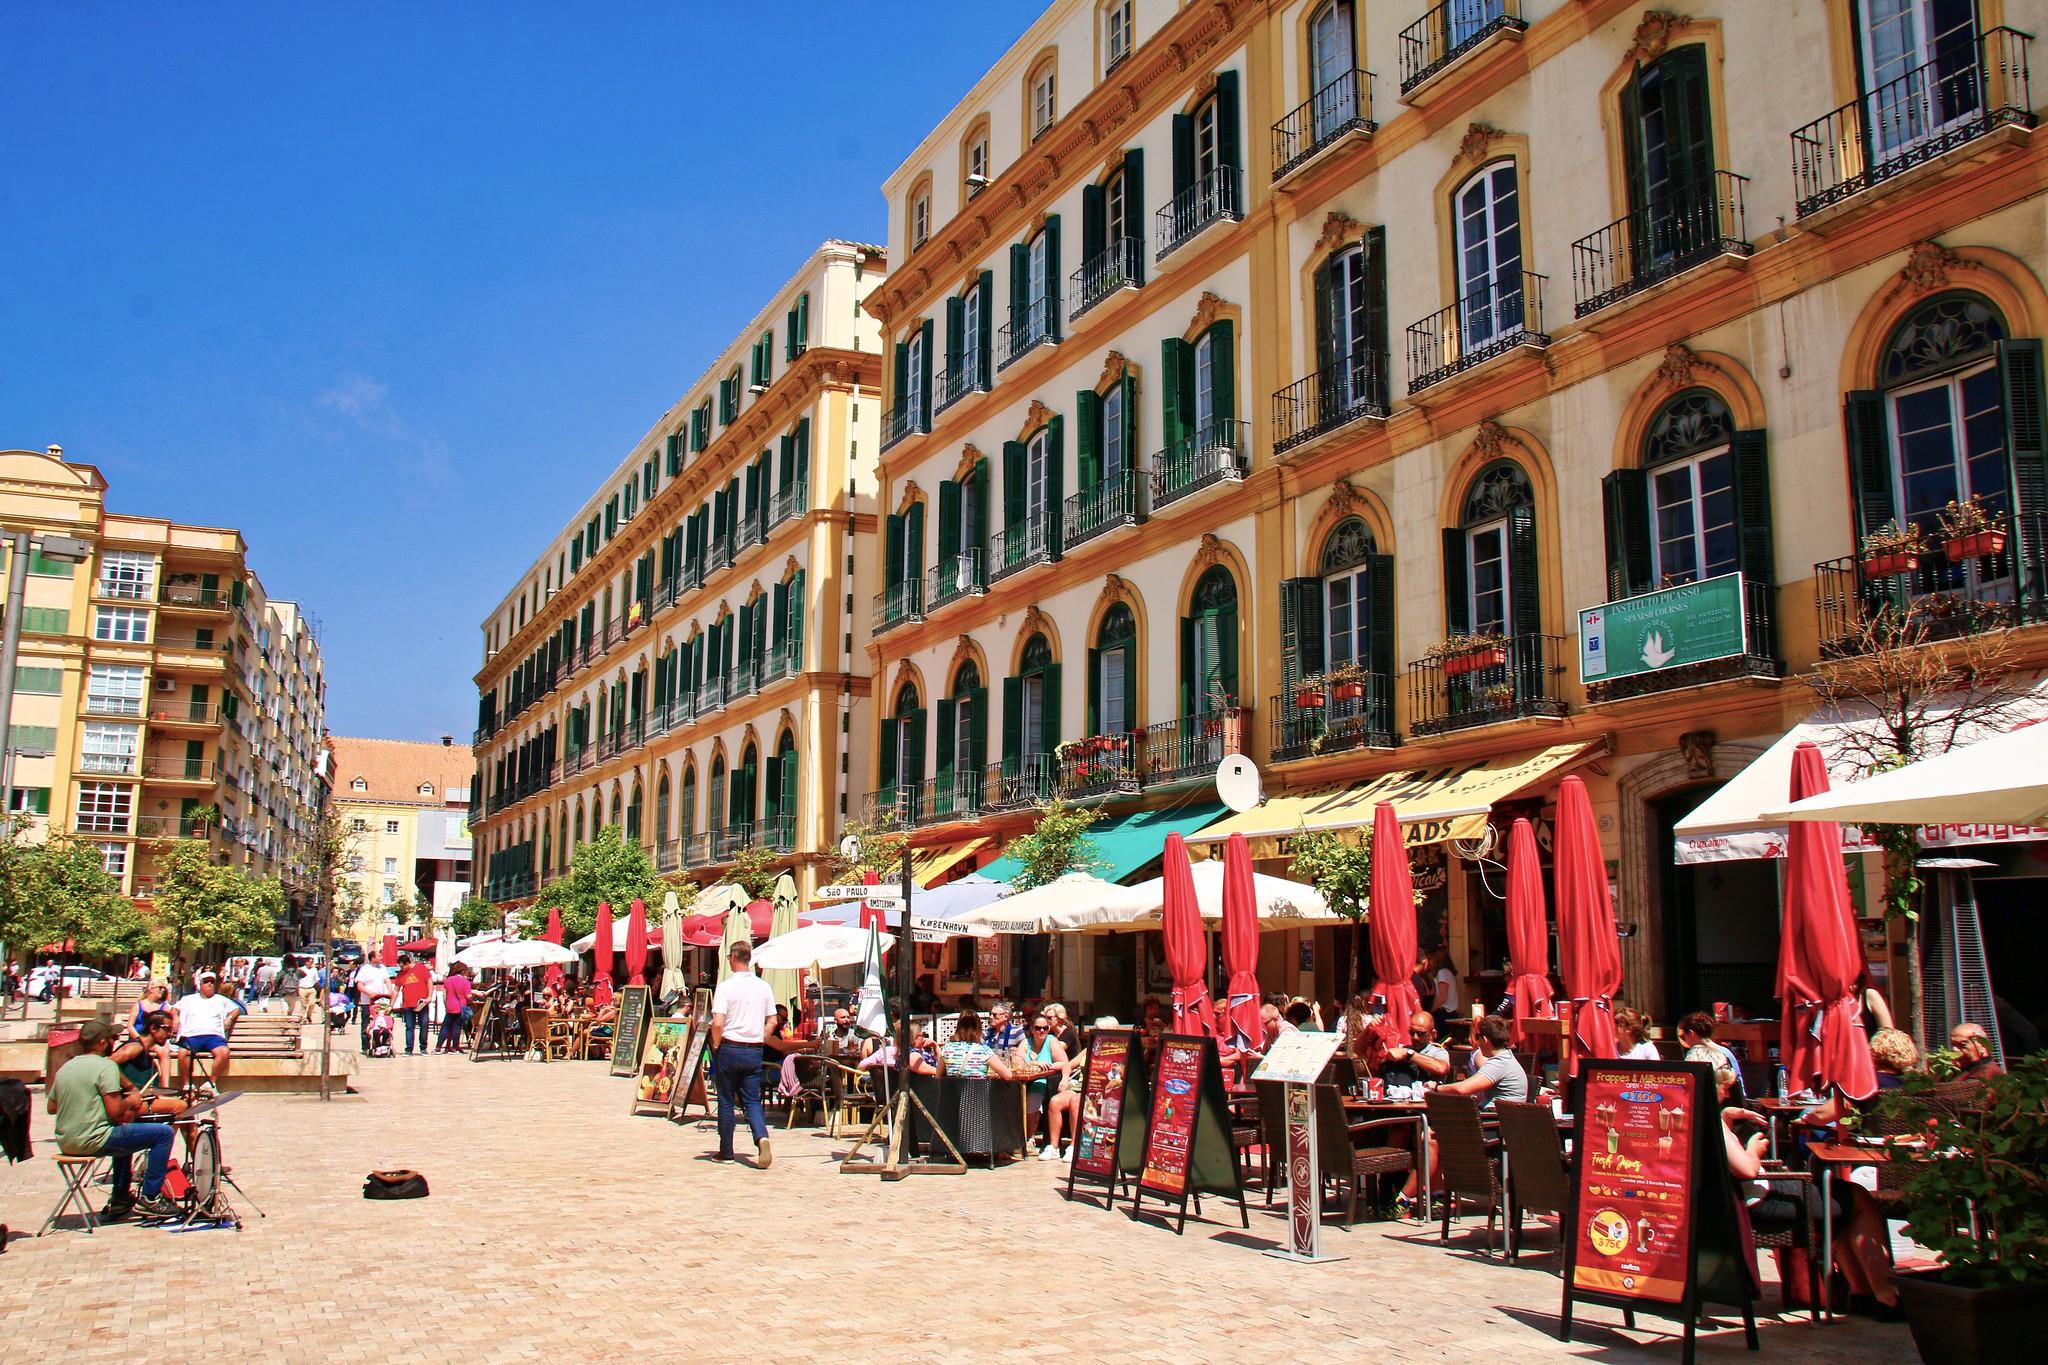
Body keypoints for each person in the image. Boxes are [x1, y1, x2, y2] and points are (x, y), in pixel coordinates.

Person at [1721, 1093, 1896, 1308]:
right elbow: (1747, 1170)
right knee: (1859, 1200)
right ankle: (1887, 1296)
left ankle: (1862, 1294)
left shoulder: (1701, 1120)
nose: (1728, 1092)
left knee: (1845, 1200)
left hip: (1749, 1198)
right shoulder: (1714, 1125)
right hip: (1761, 1202)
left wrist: (1726, 1116)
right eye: (1725, 1086)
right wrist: (1753, 1150)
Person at [49, 1019, 180, 1221]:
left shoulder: (66, 1067)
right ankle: (151, 1198)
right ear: (102, 1042)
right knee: (163, 1134)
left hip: (66, 1141)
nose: (115, 1041)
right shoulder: (105, 1067)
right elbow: (115, 1112)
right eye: (112, 1038)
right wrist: (131, 1100)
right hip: (93, 1140)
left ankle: (120, 1198)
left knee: (125, 1130)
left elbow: (52, 1107)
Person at [709, 940, 775, 1168]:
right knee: (752, 1100)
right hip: (754, 1048)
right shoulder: (763, 987)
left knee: (726, 1099)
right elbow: (773, 1020)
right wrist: (761, 1037)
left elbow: (718, 1023)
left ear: (734, 958)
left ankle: (726, 1151)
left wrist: (716, 1044)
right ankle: (761, 1137)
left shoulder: (726, 987)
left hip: (730, 1046)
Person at [170, 971, 240, 1092]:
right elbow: (174, 1009)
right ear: (200, 984)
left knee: (224, 1052)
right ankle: (187, 1084)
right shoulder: (188, 999)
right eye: (206, 982)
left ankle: (211, 1084)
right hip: (191, 1035)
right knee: (183, 1052)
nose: (209, 984)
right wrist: (175, 1017)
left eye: (212, 982)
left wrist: (230, 1018)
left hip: (214, 1036)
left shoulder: (221, 999)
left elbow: (236, 1009)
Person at [110, 1013, 188, 1120]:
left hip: (141, 1101)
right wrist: (130, 1087)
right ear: (153, 1028)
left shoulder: (147, 1054)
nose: (170, 1034)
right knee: (181, 1106)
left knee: (187, 1106)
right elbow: (107, 1064)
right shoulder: (135, 1047)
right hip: (127, 1104)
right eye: (167, 1029)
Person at [1020, 1010, 1072, 1159]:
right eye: (1038, 1028)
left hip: (1044, 1081)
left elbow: (1065, 1062)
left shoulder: (1051, 1041)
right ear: (1032, 1029)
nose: (1042, 1031)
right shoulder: (1026, 1042)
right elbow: (1017, 1061)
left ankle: (1029, 1138)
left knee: (1033, 1099)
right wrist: (1035, 1063)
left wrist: (1050, 1067)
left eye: (1045, 1028)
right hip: (1024, 1081)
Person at [1677, 1011, 1746, 1098]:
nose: (1684, 1041)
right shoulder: (1726, 1052)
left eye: (1683, 1036)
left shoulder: (1695, 1054)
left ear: (1691, 1033)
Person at [1380, 1012, 1453, 1090]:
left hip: (1426, 1095)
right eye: (1412, 1032)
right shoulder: (1403, 1049)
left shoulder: (1437, 1052)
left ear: (1432, 1034)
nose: (1415, 1037)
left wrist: (1409, 1054)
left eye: (1421, 1033)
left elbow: (1441, 1068)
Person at [936, 1011, 1013, 1080]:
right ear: (978, 1028)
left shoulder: (947, 1049)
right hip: (978, 1091)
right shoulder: (984, 1050)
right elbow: (1008, 1075)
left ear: (958, 1028)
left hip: (953, 1092)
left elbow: (938, 1077)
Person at [351, 958, 394, 1050]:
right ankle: (365, 1046)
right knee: (367, 1023)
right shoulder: (365, 969)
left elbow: (387, 981)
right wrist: (370, 993)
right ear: (373, 958)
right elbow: (359, 985)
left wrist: (390, 991)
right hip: (367, 1001)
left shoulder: (382, 968)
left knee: (382, 1022)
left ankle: (382, 1043)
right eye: (379, 956)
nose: (381, 957)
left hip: (380, 1001)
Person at [395, 956, 432, 1056]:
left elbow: (429, 981)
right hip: (407, 1004)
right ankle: (409, 1049)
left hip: (421, 1003)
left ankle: (423, 1047)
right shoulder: (400, 974)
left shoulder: (420, 968)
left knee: (424, 1025)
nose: (401, 968)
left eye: (402, 966)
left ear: (407, 963)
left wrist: (429, 996)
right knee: (409, 1027)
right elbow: (396, 990)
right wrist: (391, 1004)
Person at [438, 964, 473, 1053]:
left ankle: (438, 1046)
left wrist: (446, 1005)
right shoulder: (465, 982)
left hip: (449, 1005)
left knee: (445, 1027)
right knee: (457, 1027)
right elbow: (468, 996)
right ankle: (455, 1046)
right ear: (463, 971)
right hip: (460, 1006)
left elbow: (444, 994)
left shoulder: (448, 980)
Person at [1428, 949, 1461, 1025]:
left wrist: (1431, 1009)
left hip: (1444, 1013)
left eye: (1431, 959)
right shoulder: (1446, 972)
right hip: (1447, 1013)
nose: (1429, 962)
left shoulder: (1443, 972)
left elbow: (1442, 997)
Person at [296, 958, 321, 1023]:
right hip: (302, 988)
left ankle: (308, 1015)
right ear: (306, 962)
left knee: (312, 1003)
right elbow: (297, 979)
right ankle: (304, 1018)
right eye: (310, 962)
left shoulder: (314, 969)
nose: (311, 963)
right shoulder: (301, 969)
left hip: (311, 988)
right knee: (304, 1004)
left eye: (312, 962)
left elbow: (316, 979)